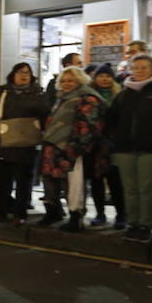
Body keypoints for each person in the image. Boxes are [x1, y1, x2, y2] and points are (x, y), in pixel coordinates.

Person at [106, 55, 152, 242]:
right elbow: (111, 118)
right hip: (125, 148)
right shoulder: (124, 94)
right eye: (135, 67)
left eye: (144, 67)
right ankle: (132, 223)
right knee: (129, 189)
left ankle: (145, 225)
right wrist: (117, 138)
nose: (139, 71)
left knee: (146, 189)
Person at [0, 63, 48, 226]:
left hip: (26, 143)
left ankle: (19, 213)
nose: (24, 75)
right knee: (1, 180)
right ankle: (0, 212)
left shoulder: (37, 93)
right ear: (13, 75)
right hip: (1, 142)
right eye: (20, 72)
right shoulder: (2, 91)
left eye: (27, 73)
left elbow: (45, 114)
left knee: (23, 181)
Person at [39, 67, 106, 232]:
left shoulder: (87, 98)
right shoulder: (62, 97)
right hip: (54, 147)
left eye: (71, 80)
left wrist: (78, 147)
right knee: (51, 181)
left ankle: (76, 217)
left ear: (80, 80)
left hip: (73, 148)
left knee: (74, 185)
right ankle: (53, 212)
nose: (66, 84)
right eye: (63, 80)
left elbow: (90, 126)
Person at [86, 64, 126, 229]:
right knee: (96, 180)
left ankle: (121, 215)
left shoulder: (120, 95)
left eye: (108, 76)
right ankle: (100, 213)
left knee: (115, 181)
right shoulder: (89, 95)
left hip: (113, 144)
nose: (104, 79)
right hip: (94, 144)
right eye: (101, 76)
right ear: (95, 78)